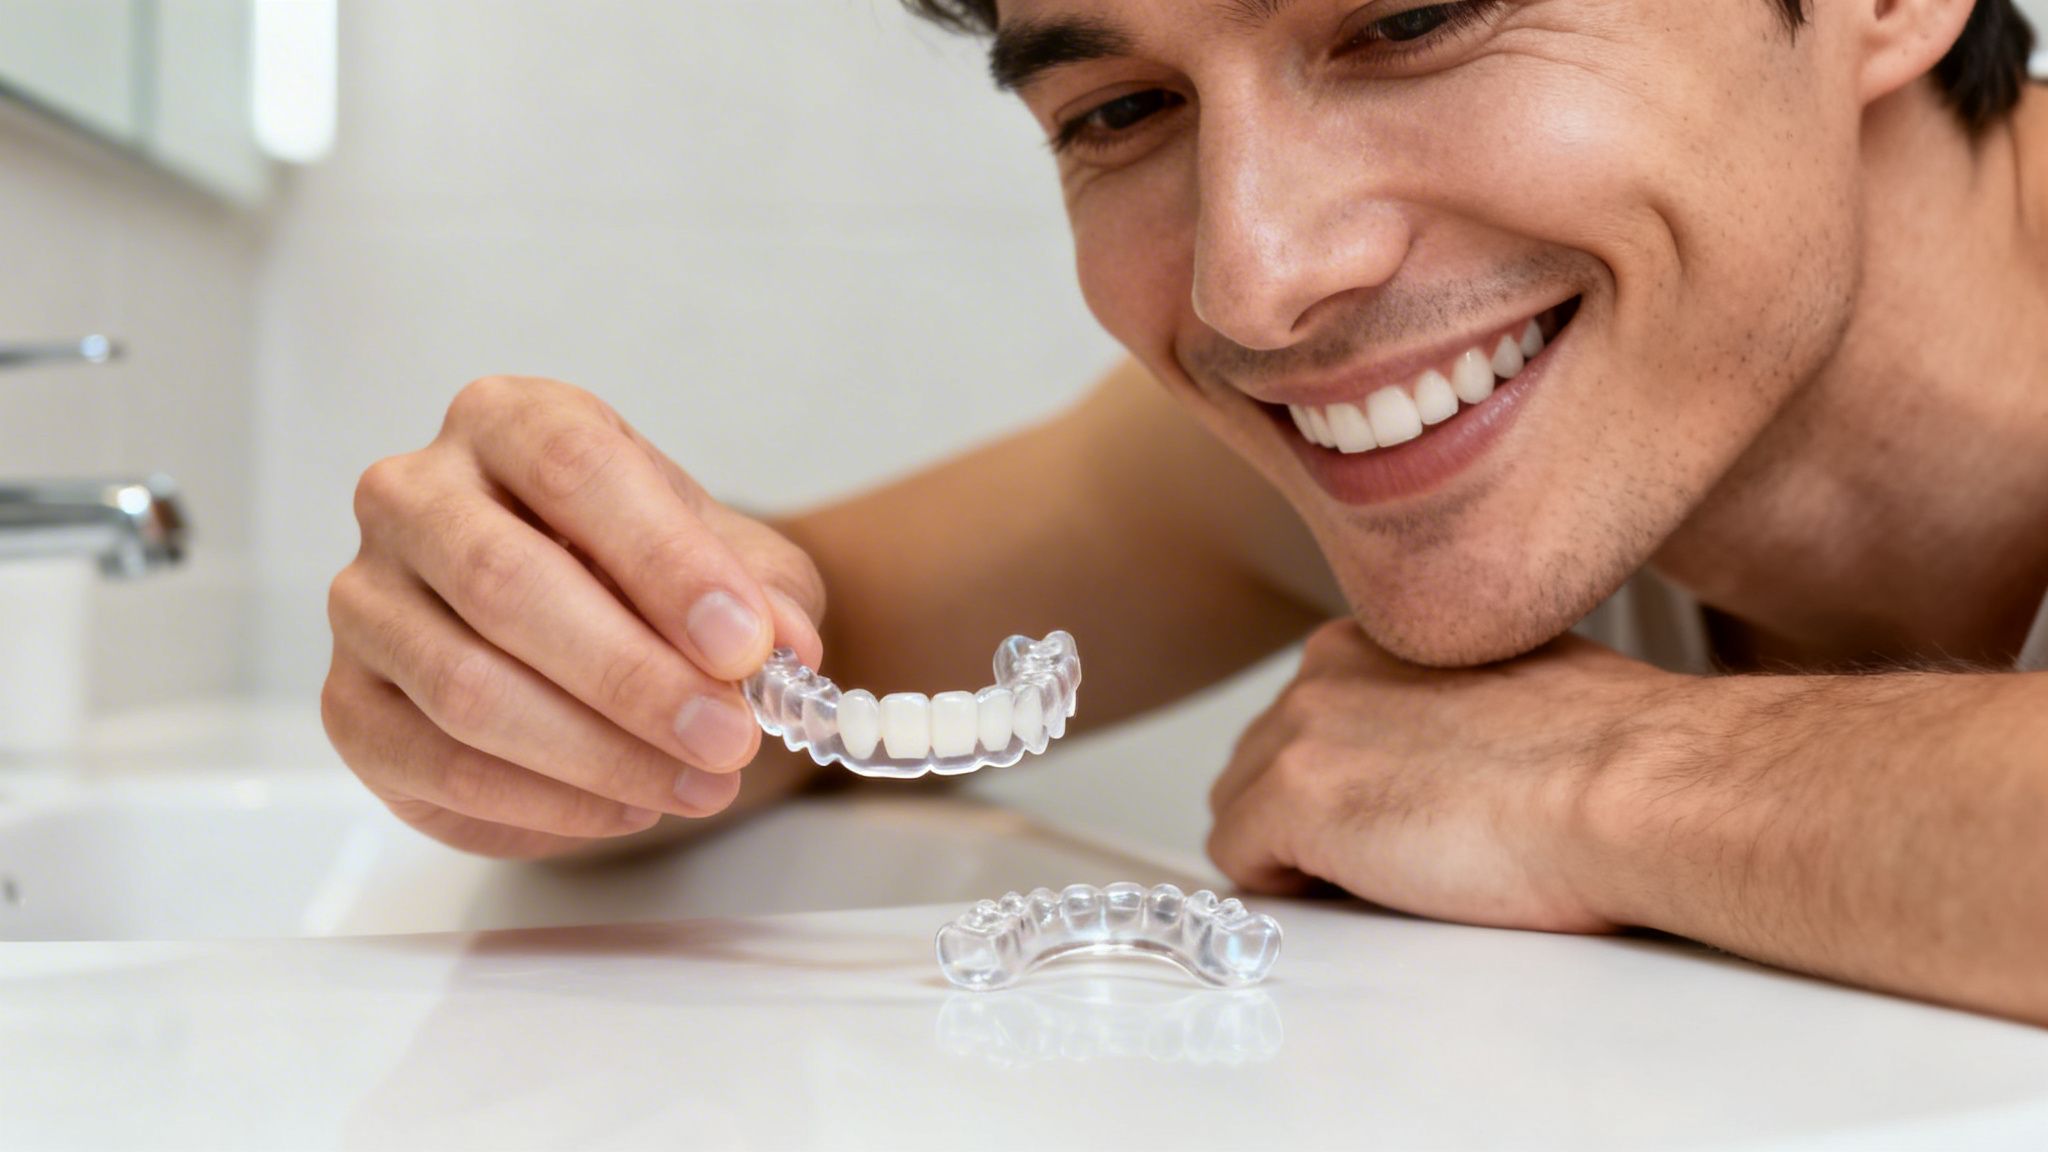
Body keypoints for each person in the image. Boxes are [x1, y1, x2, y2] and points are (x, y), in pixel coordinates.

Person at [322, 0, 2048, 1024]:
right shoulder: (1411, 435)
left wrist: (1601, 774)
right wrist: (551, 638)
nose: (1259, 281)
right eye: (1126, 108)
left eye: (1416, 14)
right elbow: (805, 652)